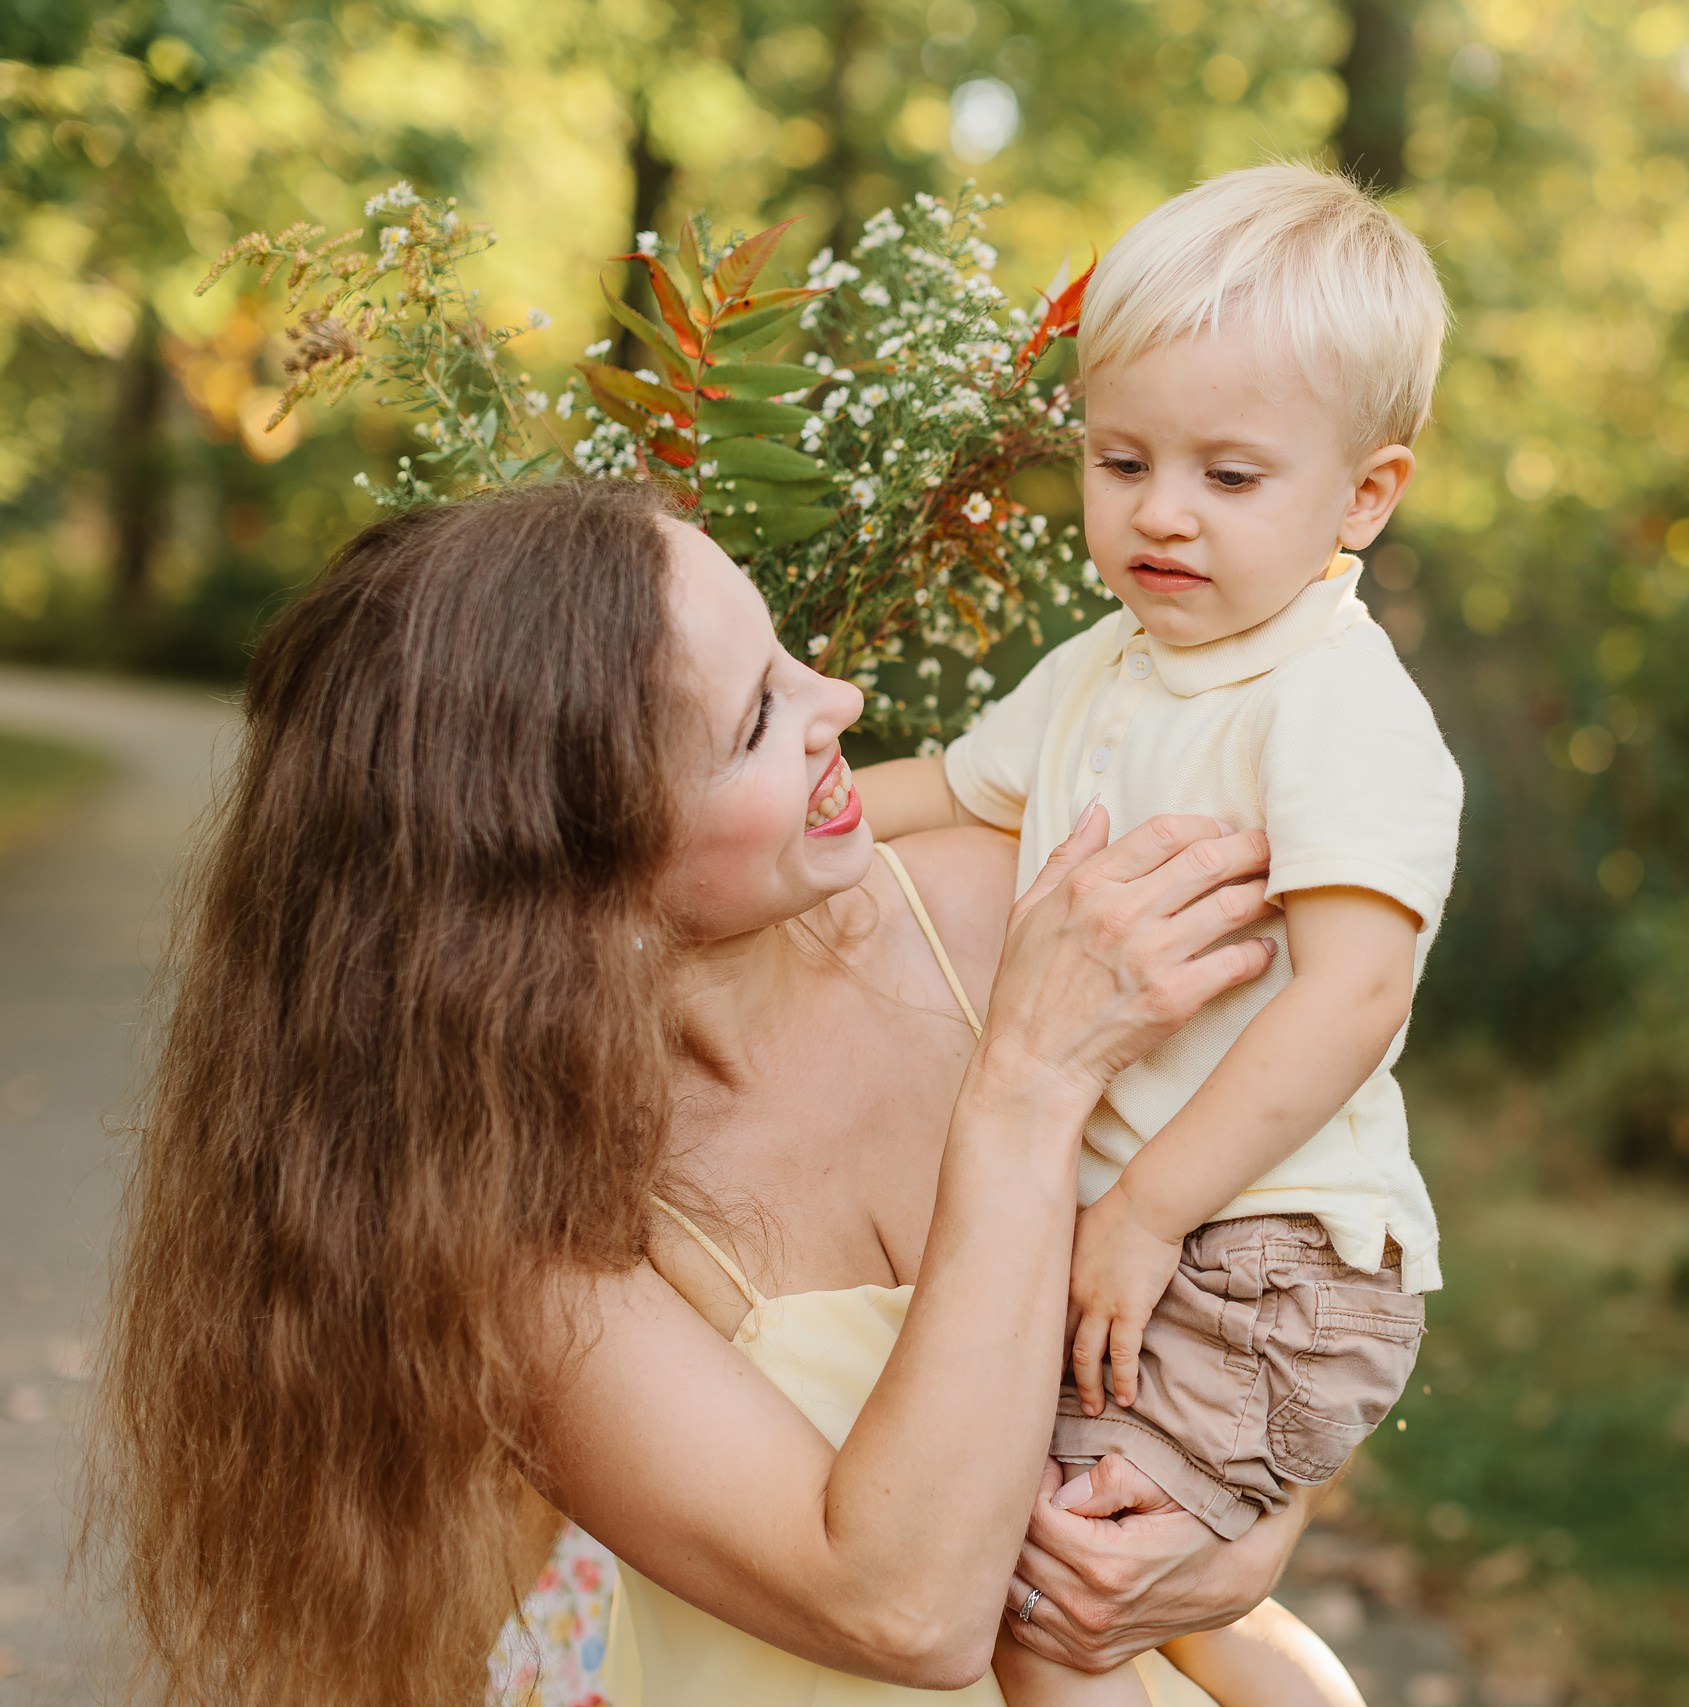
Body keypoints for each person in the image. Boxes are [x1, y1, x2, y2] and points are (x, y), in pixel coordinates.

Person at [89, 479, 1362, 1707]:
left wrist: (1241, 1535)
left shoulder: (1019, 904)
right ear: (563, 861)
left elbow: (1320, 1255)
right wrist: (1027, 1083)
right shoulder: (537, 1219)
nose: (842, 699)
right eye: (756, 718)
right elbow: (903, 1610)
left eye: (786, 655)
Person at [852, 164, 1462, 1707]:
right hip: (1158, 1233)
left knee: (1045, 1587)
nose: (1161, 511)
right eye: (1122, 459)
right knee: (1145, 1597)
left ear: (1364, 494)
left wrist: (1147, 1212)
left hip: (1263, 1245)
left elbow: (1355, 997)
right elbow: (943, 790)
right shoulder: (1103, 668)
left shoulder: (1331, 699)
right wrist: (733, 812)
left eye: (1230, 476)